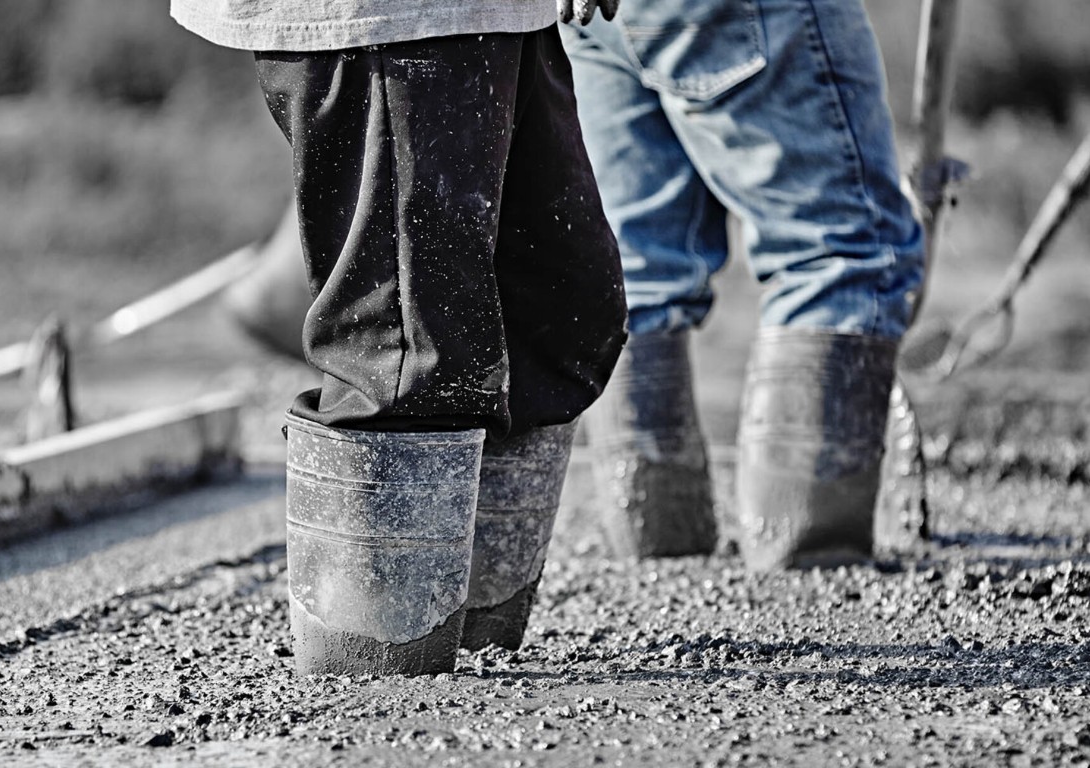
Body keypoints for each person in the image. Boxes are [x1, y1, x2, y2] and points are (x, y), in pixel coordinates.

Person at [171, 0, 628, 675]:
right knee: (403, 352)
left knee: (556, 314)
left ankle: (474, 640)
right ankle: (377, 668)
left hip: (506, 15)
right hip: (392, 19)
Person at [563, 0, 925, 569]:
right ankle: (807, 565)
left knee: (636, 272)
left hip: (588, 17)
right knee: (840, 253)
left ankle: (660, 559)